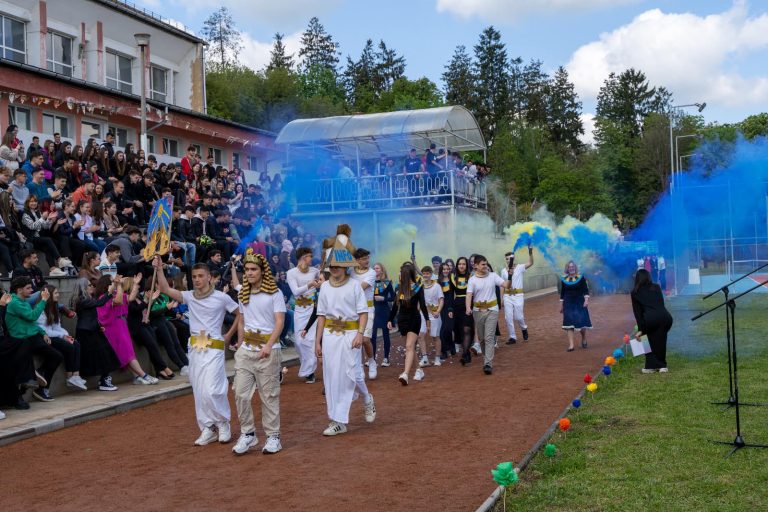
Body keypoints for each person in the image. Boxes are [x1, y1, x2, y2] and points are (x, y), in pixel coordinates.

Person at [153, 256, 240, 446]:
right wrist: (159, 269)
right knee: (199, 390)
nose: (197, 279)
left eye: (201, 276)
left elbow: (240, 313)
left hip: (214, 348)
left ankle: (223, 423)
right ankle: (208, 427)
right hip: (195, 349)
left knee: (213, 389)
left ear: (209, 277)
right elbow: (166, 289)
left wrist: (230, 335)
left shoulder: (222, 297)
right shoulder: (190, 296)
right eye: (194, 276)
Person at [314, 226, 376, 436]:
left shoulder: (354, 286)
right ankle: (337, 420)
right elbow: (321, 315)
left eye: (339, 265)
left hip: (350, 336)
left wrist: (360, 333)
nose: (335, 268)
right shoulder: (324, 288)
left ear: (346, 267)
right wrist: (317, 341)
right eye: (332, 265)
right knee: (331, 376)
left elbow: (363, 312)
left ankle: (367, 399)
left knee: (354, 374)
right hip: (331, 336)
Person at [231, 250, 285, 455]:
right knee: (240, 393)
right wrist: (239, 344)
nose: (249, 273)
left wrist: (269, 345)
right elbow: (242, 321)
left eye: (253, 269)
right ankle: (249, 434)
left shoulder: (275, 293)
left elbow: (279, 321)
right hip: (246, 351)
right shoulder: (243, 293)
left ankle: (273, 437)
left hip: (268, 351)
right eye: (247, 270)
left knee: (268, 395)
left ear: (262, 271)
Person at [93, 273, 158, 384]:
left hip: (120, 326)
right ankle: (144, 375)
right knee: (127, 353)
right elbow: (118, 301)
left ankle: (137, 377)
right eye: (112, 281)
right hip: (113, 328)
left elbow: (130, 298)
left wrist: (136, 284)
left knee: (127, 353)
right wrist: (118, 285)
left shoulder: (114, 293)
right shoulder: (104, 297)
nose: (115, 281)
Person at [5, 277, 62, 402]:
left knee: (57, 355)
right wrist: (43, 300)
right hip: (22, 339)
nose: (32, 290)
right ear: (19, 290)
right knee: (55, 355)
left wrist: (42, 333)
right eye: (28, 288)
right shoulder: (14, 303)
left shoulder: (23, 301)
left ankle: (40, 376)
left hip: (33, 335)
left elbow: (31, 323)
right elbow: (32, 317)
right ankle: (37, 382)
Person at [70, 278, 119, 391]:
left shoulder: (87, 299)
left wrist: (98, 326)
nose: (92, 286)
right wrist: (109, 292)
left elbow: (92, 315)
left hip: (93, 330)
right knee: (99, 355)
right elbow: (99, 303)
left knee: (106, 354)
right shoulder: (81, 300)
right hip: (86, 332)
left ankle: (104, 379)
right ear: (83, 288)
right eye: (89, 285)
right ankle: (104, 381)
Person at [37, 285, 87, 391]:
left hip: (54, 334)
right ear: (49, 295)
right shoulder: (40, 307)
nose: (58, 295)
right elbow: (44, 330)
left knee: (75, 343)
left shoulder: (54, 307)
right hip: (43, 336)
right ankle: (70, 376)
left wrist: (66, 335)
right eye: (55, 293)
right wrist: (62, 336)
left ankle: (75, 376)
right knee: (69, 346)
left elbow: (57, 326)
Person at [466, 255, 510, 375]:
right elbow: (469, 295)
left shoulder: (493, 276)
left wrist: (510, 275)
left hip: (492, 310)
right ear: (475, 266)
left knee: (489, 337)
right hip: (478, 311)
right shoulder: (472, 280)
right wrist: (468, 307)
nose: (485, 266)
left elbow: (506, 285)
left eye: (486, 264)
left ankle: (488, 363)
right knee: (482, 339)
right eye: (483, 264)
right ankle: (487, 359)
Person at [388, 262, 429, 385]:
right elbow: (396, 305)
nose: (399, 274)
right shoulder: (399, 287)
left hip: (414, 319)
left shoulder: (418, 287)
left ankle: (405, 374)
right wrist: (390, 319)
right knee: (409, 347)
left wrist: (427, 320)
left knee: (409, 346)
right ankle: (419, 370)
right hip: (402, 319)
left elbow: (422, 305)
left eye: (401, 273)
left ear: (406, 275)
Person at [286, 246, 321, 384]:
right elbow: (295, 291)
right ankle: (307, 367)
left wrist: (319, 284)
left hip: (313, 310)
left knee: (311, 341)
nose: (311, 258)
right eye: (309, 256)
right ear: (302, 258)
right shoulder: (291, 273)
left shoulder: (315, 271)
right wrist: (310, 284)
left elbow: (323, 281)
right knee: (300, 342)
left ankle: (310, 372)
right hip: (300, 309)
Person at [631, 269, 673, 373]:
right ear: (649, 277)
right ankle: (662, 365)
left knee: (646, 339)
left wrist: (641, 329)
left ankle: (650, 366)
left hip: (650, 319)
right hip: (665, 317)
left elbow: (638, 313)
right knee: (660, 339)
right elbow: (661, 303)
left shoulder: (635, 292)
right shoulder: (656, 287)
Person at [351, 248, 378, 379]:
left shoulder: (372, 273)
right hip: (353, 310)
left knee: (365, 339)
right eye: (363, 259)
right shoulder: (350, 272)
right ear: (357, 260)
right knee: (356, 341)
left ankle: (372, 361)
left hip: (368, 309)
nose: (367, 261)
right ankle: (359, 366)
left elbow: (361, 287)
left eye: (368, 258)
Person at [501, 246, 534, 344]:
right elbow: (502, 285)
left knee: (519, 317)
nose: (508, 260)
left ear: (513, 258)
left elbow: (531, 263)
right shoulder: (503, 271)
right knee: (508, 316)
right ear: (505, 259)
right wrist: (501, 297)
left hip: (518, 295)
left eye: (510, 258)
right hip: (507, 296)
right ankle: (512, 337)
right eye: (507, 259)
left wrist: (530, 251)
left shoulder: (520, 267)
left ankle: (524, 328)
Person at [560, 261, 592, 352]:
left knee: (581, 324)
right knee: (569, 324)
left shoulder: (581, 278)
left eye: (573, 266)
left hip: (579, 303)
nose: (571, 268)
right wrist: (561, 306)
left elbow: (585, 290)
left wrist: (586, 300)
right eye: (569, 267)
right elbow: (562, 293)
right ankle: (571, 345)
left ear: (575, 267)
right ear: (567, 268)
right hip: (568, 303)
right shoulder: (563, 279)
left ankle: (584, 338)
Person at [419, 266, 444, 366]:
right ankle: (425, 359)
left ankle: (437, 358)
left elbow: (441, 299)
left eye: (427, 273)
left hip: (434, 314)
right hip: (422, 314)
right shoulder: (420, 287)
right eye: (424, 273)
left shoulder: (437, 286)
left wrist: (438, 311)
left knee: (435, 336)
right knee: (420, 335)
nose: (425, 275)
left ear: (431, 274)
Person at [372, 262, 395, 366]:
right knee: (372, 336)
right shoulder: (370, 282)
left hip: (384, 311)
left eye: (377, 268)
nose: (375, 270)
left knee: (386, 335)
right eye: (374, 268)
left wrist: (384, 298)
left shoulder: (387, 282)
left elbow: (394, 297)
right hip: (373, 311)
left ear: (382, 270)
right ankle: (372, 359)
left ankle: (386, 358)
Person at [437, 262, 455, 360]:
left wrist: (451, 309)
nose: (446, 271)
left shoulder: (452, 280)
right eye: (444, 269)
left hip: (451, 308)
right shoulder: (438, 282)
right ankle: (444, 350)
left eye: (447, 269)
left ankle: (451, 346)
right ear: (441, 270)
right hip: (441, 308)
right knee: (443, 330)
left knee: (449, 329)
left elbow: (452, 296)